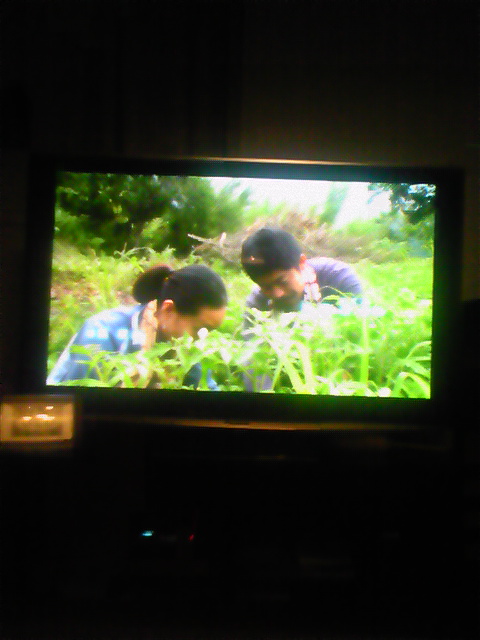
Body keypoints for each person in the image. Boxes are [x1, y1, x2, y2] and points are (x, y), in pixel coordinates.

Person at [47, 264, 228, 388]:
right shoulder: (103, 331)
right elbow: (76, 399)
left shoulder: (186, 349)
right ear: (168, 310)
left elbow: (208, 392)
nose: (204, 339)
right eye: (200, 329)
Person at [241, 227, 362, 320]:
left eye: (282, 282)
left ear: (301, 262)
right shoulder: (256, 305)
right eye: (266, 287)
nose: (277, 294)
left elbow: (362, 324)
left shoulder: (338, 278)